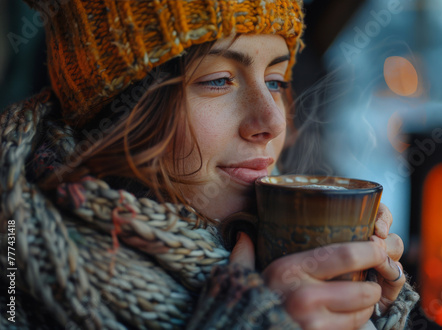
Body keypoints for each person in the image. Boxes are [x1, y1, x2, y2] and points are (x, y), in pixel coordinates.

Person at [0, 0, 419, 329]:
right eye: (218, 80)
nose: (271, 122)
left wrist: (365, 315)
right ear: (119, 116)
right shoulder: (14, 280)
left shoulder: (267, 249)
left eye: (276, 82)